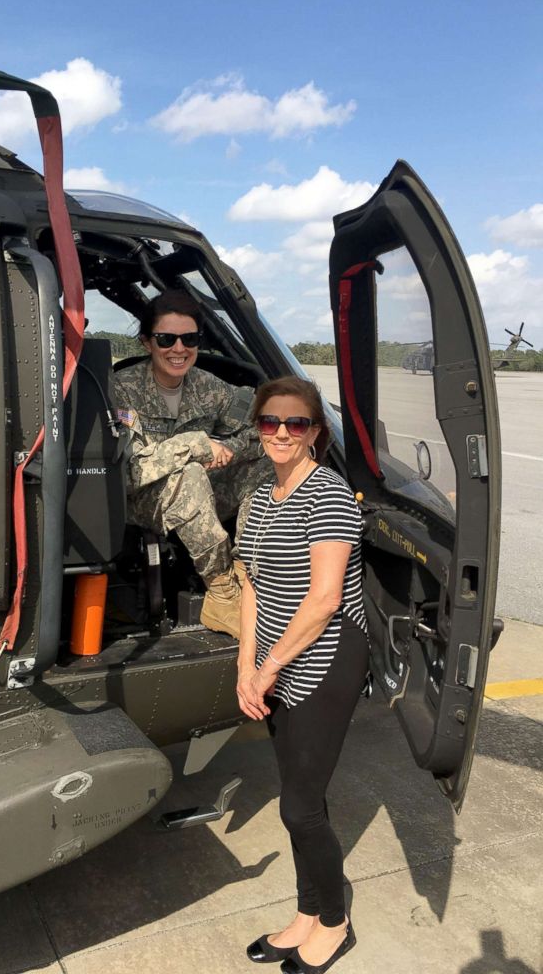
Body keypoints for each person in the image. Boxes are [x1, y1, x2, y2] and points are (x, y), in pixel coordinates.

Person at [237, 375, 368, 974]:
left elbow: (322, 601)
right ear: (258, 427)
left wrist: (265, 670)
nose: (282, 433)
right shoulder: (259, 499)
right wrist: (247, 667)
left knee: (300, 806)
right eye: (271, 422)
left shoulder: (330, 495)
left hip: (325, 657)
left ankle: (335, 923)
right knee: (297, 794)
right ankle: (307, 914)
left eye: (297, 423)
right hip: (274, 661)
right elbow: (249, 586)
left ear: (315, 431)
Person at [111, 289, 272, 637]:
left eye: (190, 338)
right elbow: (129, 471)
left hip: (199, 492)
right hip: (140, 500)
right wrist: (197, 444)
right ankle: (222, 593)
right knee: (191, 474)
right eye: (166, 339)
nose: (179, 349)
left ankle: (249, 572)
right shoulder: (122, 390)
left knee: (268, 465)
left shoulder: (209, 387)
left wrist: (224, 448)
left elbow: (255, 435)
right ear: (147, 343)